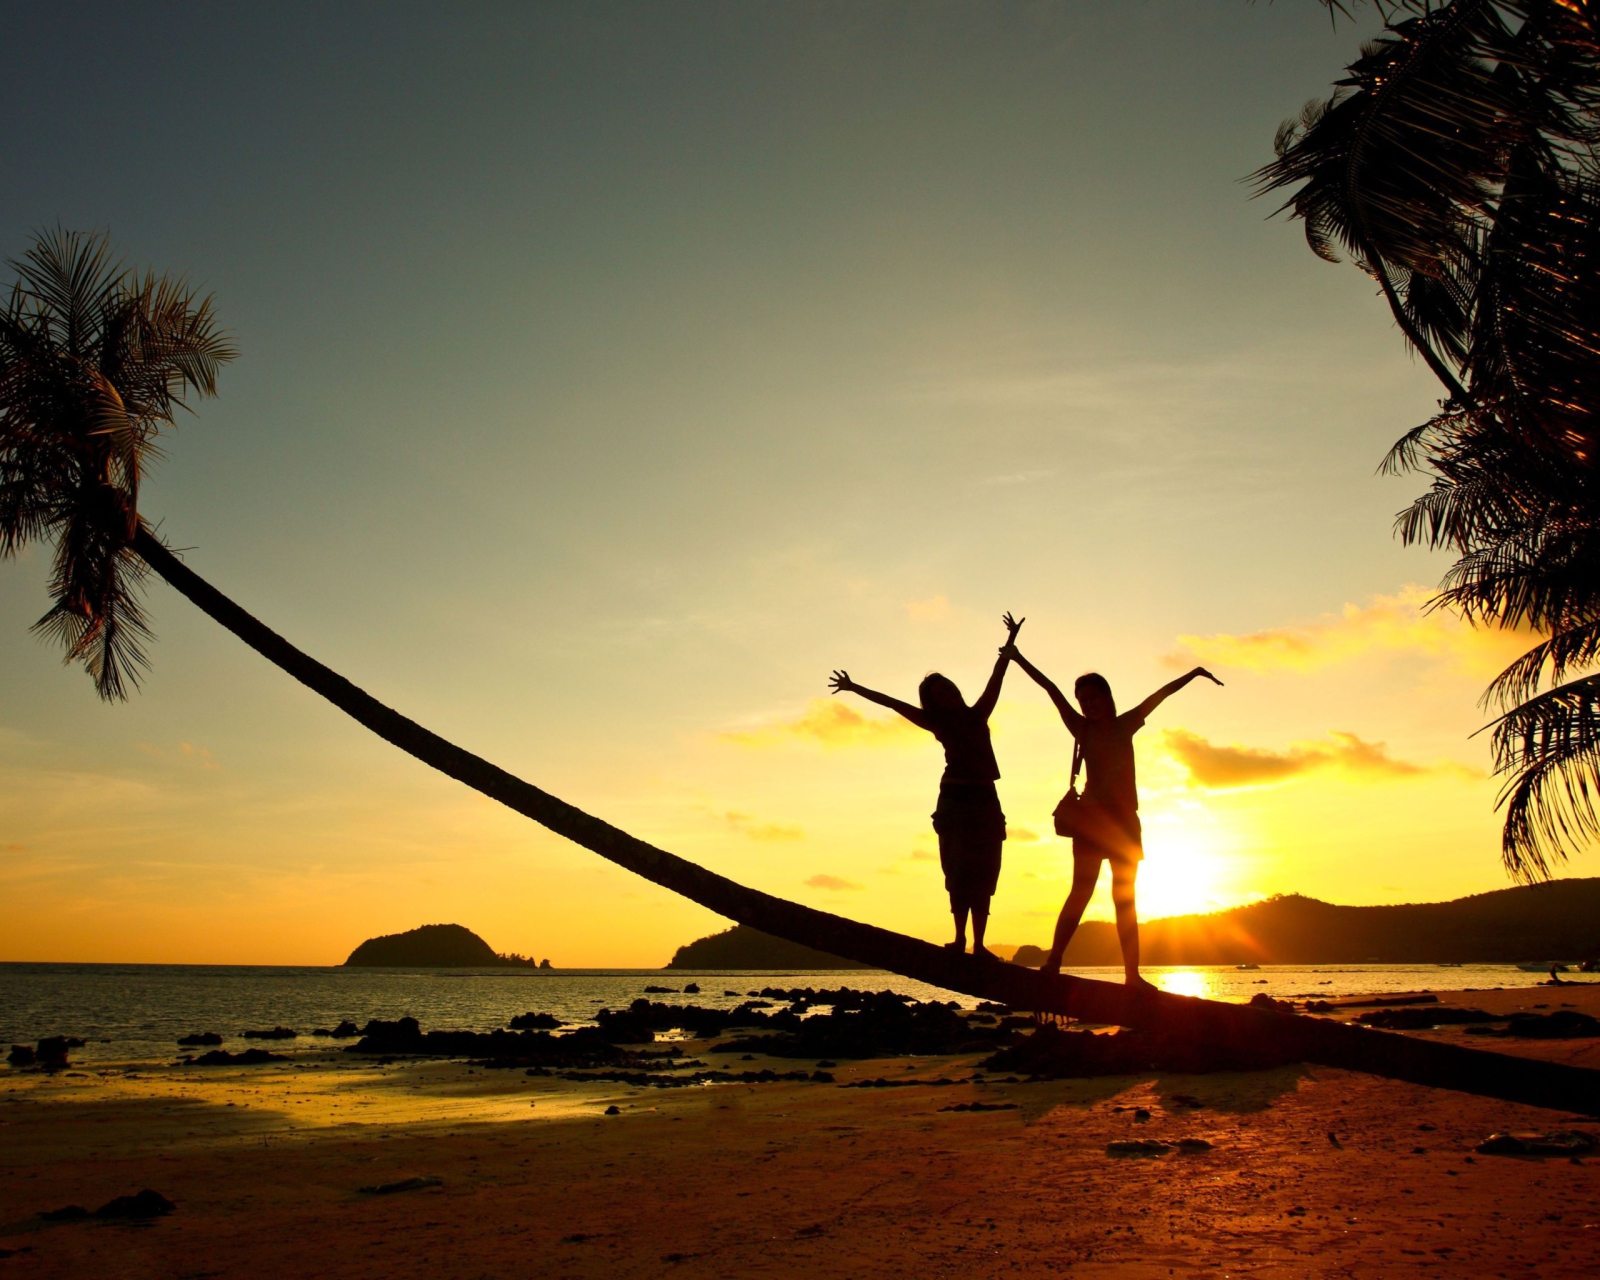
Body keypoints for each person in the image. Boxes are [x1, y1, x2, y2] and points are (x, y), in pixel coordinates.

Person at [1003, 641, 1222, 986]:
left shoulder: (1126, 724)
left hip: (1124, 823)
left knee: (1125, 899)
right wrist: (1017, 658)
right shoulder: (1081, 728)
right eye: (1083, 700)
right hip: (1091, 821)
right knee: (1080, 892)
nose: (1088, 705)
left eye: (1094, 698)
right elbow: (1050, 688)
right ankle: (1054, 961)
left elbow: (1160, 695)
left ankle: (1132, 975)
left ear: (1107, 698)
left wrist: (1193, 674)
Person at [828, 613, 1024, 958]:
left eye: (947, 688)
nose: (946, 694)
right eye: (938, 693)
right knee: (957, 868)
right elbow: (892, 703)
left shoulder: (978, 714)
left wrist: (1010, 642)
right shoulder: (934, 721)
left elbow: (998, 675)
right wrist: (854, 687)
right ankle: (960, 939)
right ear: (932, 701)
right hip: (954, 800)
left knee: (985, 869)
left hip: (985, 798)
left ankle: (979, 944)